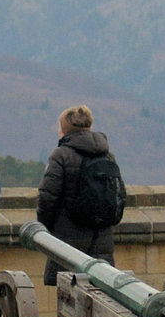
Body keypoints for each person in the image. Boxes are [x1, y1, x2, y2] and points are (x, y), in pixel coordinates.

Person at [34, 104, 122, 288]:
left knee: (68, 298)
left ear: (64, 131)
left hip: (68, 239)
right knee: (99, 294)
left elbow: (47, 197)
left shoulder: (61, 155)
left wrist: (48, 229)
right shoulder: (107, 155)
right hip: (102, 238)